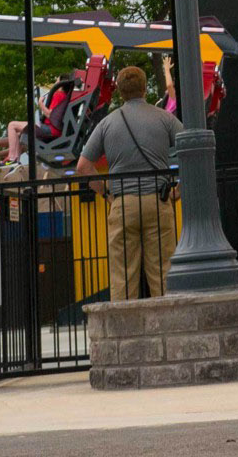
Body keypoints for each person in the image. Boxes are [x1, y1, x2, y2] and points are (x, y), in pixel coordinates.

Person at [74, 64, 182, 301]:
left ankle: (124, 334)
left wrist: (106, 194)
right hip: (158, 201)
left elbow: (83, 167)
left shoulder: (107, 124)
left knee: (123, 275)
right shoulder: (165, 118)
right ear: (144, 88)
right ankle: (167, 330)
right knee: (163, 272)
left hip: (124, 204)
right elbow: (192, 151)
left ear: (121, 92)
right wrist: (178, 190)